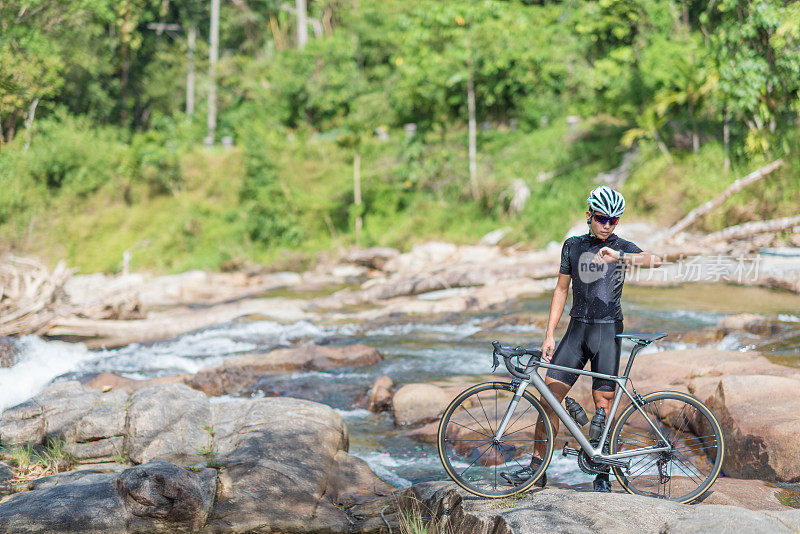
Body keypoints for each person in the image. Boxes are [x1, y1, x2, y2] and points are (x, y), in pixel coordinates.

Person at [501, 185, 662, 492]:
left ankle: (603, 474)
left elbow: (655, 261)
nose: (607, 225)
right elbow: (561, 289)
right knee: (549, 398)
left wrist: (622, 256)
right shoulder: (572, 246)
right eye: (602, 218)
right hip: (576, 331)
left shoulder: (619, 246)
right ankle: (537, 470)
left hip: (607, 332)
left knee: (603, 406)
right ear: (589, 215)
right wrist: (549, 334)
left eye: (614, 220)